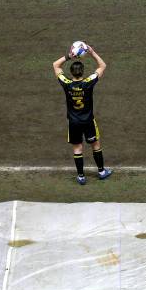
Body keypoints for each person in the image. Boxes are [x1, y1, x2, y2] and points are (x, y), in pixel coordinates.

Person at [52, 44, 112, 185]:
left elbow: (55, 65)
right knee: (95, 145)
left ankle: (80, 176)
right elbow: (102, 66)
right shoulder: (88, 83)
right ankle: (102, 171)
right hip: (88, 121)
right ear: (82, 72)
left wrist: (69, 56)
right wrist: (91, 52)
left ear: (71, 73)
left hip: (73, 122)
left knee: (77, 148)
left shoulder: (66, 83)